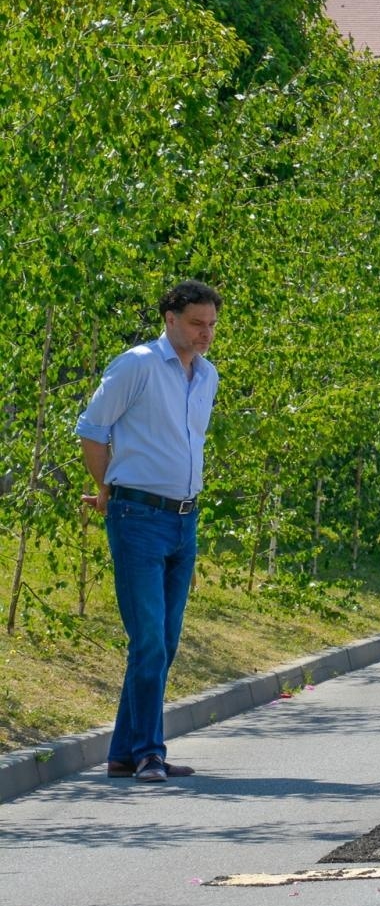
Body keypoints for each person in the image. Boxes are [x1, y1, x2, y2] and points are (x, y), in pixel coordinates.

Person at [77, 280, 221, 783]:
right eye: (197, 323)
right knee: (149, 642)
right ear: (170, 319)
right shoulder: (136, 365)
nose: (205, 334)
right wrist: (106, 488)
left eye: (212, 325)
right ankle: (149, 754)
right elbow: (92, 430)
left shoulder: (207, 376)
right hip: (137, 516)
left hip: (185, 519)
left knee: (164, 643)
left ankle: (123, 753)